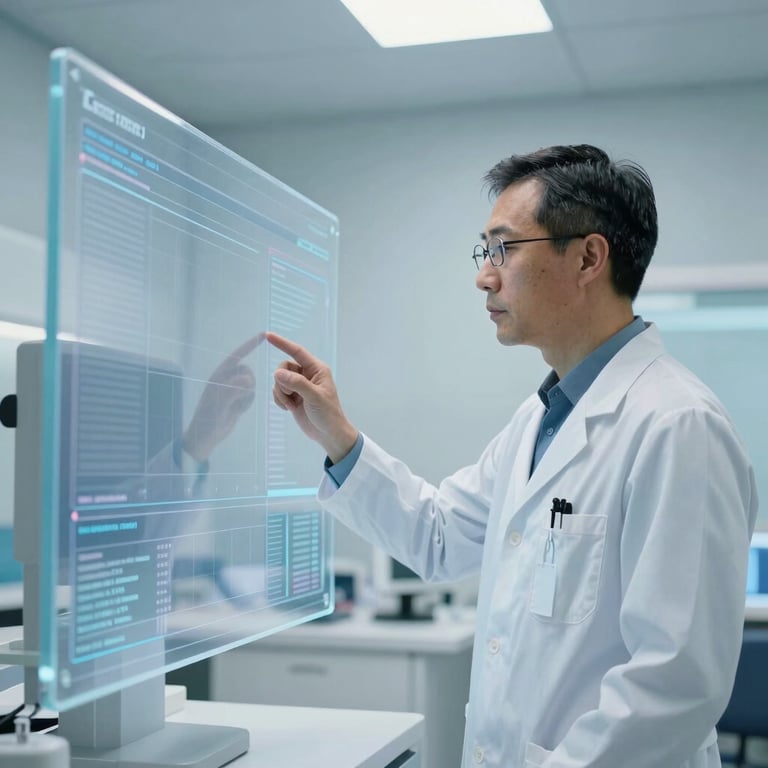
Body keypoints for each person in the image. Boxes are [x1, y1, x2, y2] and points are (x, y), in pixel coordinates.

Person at [266, 144, 758, 768]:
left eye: (504, 248)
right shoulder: (540, 421)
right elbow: (440, 537)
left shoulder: (678, 426)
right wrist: (336, 435)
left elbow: (675, 683)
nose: (484, 275)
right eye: (485, 250)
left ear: (587, 257)